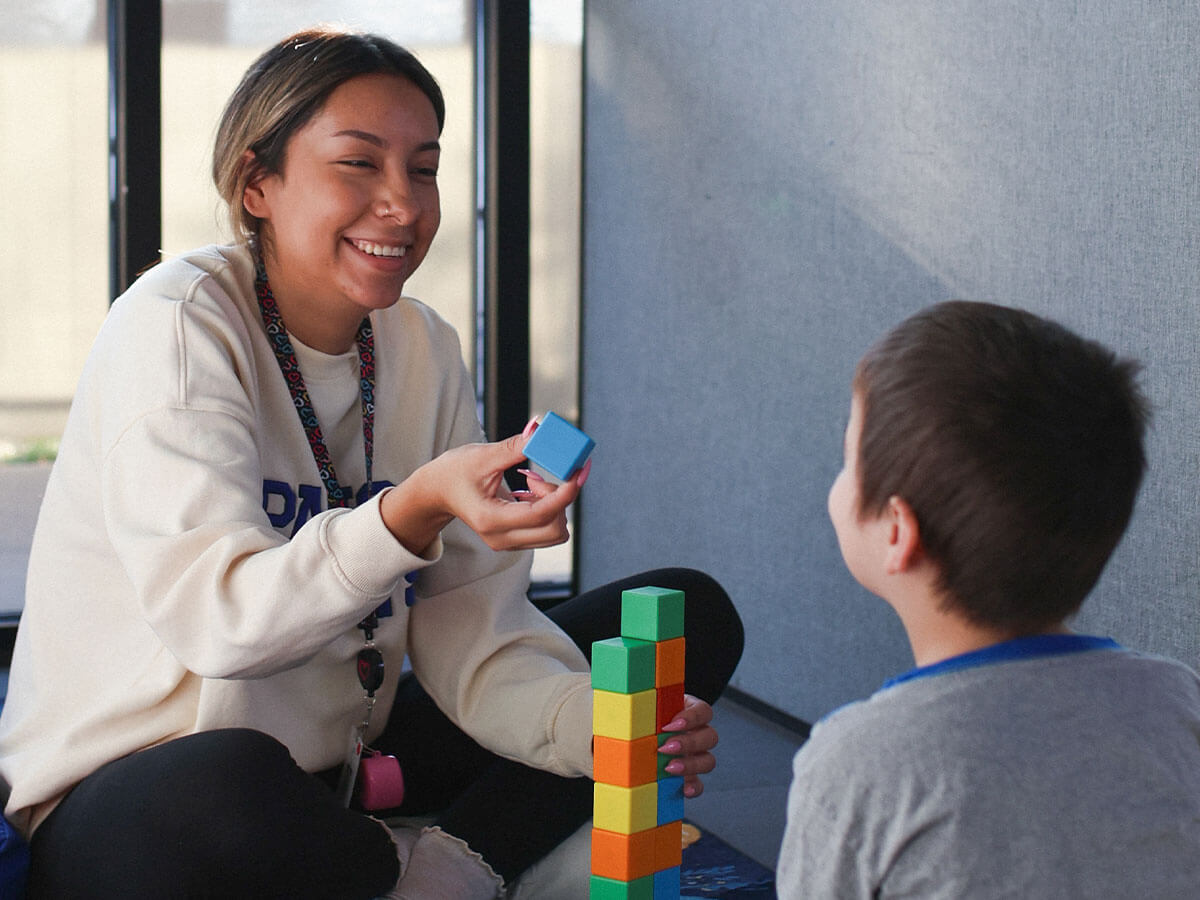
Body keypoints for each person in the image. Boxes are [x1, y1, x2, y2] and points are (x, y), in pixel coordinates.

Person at [0, 28, 744, 899]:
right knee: (235, 788)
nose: (403, 203)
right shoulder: (177, 324)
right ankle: (417, 858)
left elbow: (477, 640)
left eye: (423, 168)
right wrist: (411, 511)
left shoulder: (421, 347)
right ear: (256, 183)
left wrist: (605, 729)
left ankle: (447, 870)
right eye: (359, 164)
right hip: (144, 794)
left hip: (350, 770)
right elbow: (221, 625)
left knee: (690, 614)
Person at [777, 301, 1200, 898]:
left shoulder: (858, 766)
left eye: (847, 461)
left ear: (899, 532)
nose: (840, 479)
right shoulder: (1178, 701)